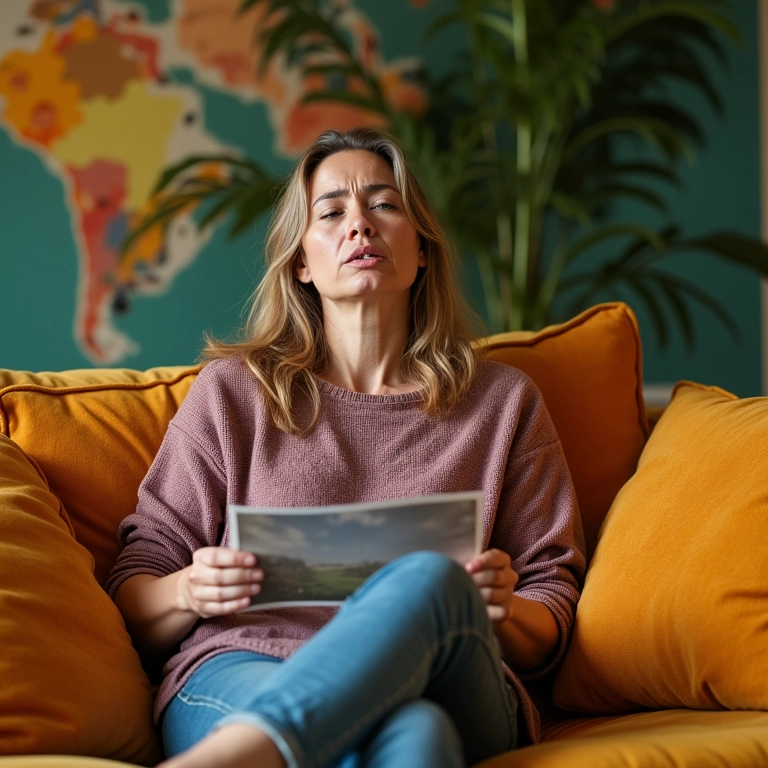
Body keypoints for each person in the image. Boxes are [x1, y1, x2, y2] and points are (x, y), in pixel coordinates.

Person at [107, 127, 586, 768]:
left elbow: (552, 610)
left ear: (422, 250)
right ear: (301, 263)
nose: (360, 224)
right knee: (416, 736)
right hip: (248, 666)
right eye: (331, 213)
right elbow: (134, 590)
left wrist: (501, 608)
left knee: (432, 579)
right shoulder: (232, 395)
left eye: (384, 205)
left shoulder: (503, 403)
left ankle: (249, 754)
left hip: (450, 680)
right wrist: (189, 591)